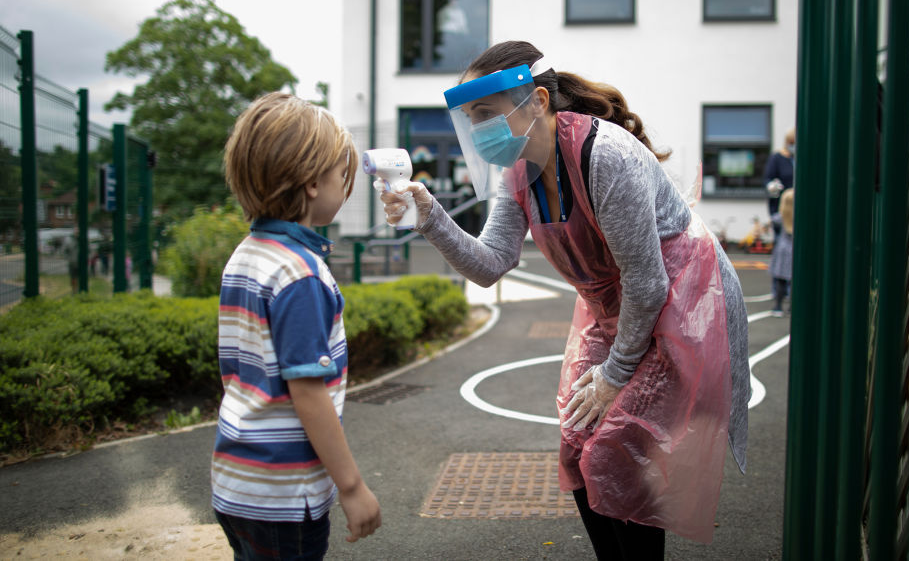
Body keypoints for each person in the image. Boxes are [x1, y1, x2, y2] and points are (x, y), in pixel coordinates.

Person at [376, 41, 750, 556]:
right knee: (577, 443)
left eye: (486, 112)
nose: (479, 128)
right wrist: (429, 216)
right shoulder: (518, 172)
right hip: (618, 307)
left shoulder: (606, 156)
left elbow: (648, 284)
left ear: (538, 101)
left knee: (620, 447)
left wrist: (614, 375)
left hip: (683, 299)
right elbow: (490, 264)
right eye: (471, 118)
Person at [212, 93, 382, 559]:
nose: (345, 186)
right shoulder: (300, 274)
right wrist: (351, 486)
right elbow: (308, 391)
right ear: (311, 182)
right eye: (342, 175)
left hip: (237, 482)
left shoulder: (247, 255)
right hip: (285, 496)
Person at [763, 127, 795, 239]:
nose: (793, 146)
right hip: (782, 209)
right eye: (791, 143)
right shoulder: (777, 158)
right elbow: (767, 179)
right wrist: (771, 186)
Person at [770, 188, 794, 316]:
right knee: (794, 280)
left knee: (780, 280)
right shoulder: (800, 216)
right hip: (794, 249)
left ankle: (778, 306)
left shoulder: (780, 217)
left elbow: (773, 221)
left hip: (782, 250)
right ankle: (792, 307)